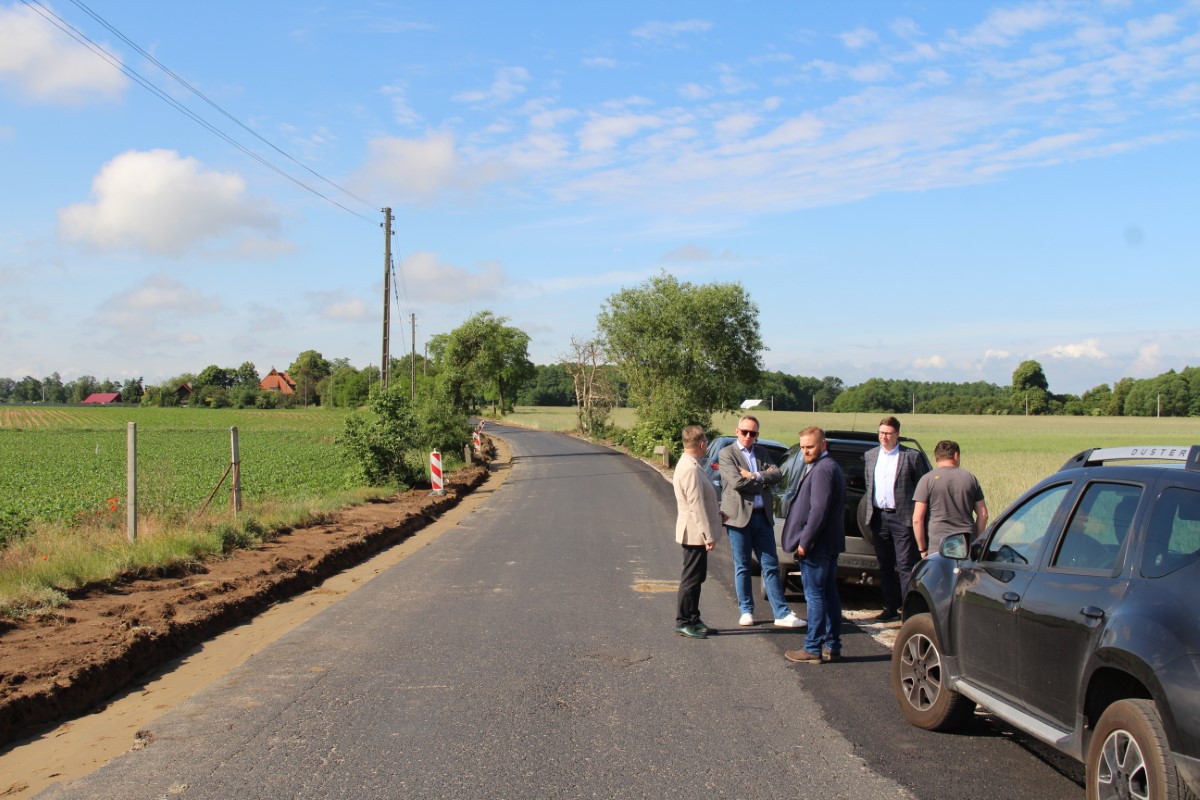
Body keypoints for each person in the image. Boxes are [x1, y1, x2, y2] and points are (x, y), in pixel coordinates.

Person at [718, 415, 804, 628]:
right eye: (744, 432)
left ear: (757, 434)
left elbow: (778, 475)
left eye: (753, 433)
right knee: (743, 566)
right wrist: (763, 480)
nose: (748, 436)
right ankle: (746, 610)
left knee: (771, 565)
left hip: (762, 517)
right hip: (739, 519)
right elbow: (737, 483)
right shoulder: (726, 453)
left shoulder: (762, 452)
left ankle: (781, 613)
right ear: (737, 431)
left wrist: (755, 475)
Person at [780, 427, 847, 664]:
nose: (806, 451)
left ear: (823, 445)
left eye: (810, 447)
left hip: (818, 546)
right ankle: (832, 645)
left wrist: (805, 542)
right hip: (828, 544)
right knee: (829, 594)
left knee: (816, 596)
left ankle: (812, 648)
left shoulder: (823, 470)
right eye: (803, 447)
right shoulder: (828, 467)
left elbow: (818, 510)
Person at [862, 416, 929, 622]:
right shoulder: (871, 455)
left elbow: (922, 488)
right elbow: (868, 485)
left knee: (905, 565)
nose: (884, 436)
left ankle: (908, 612)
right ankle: (890, 607)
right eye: (881, 432)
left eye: (888, 433)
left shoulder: (911, 456)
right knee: (885, 565)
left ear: (897, 434)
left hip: (902, 518)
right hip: (878, 517)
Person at [673, 425, 726, 639]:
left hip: (696, 531)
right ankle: (683, 621)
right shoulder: (690, 468)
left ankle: (694, 618)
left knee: (698, 576)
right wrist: (707, 535)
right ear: (702, 444)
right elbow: (695, 504)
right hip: (694, 533)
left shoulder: (691, 463)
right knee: (691, 579)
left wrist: (718, 515)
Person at [912, 440, 989, 558]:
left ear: (936, 457)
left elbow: (917, 519)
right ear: (956, 455)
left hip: (937, 545)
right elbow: (983, 515)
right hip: (966, 543)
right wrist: (977, 541)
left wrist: (922, 549)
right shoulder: (970, 478)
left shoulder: (926, 480)